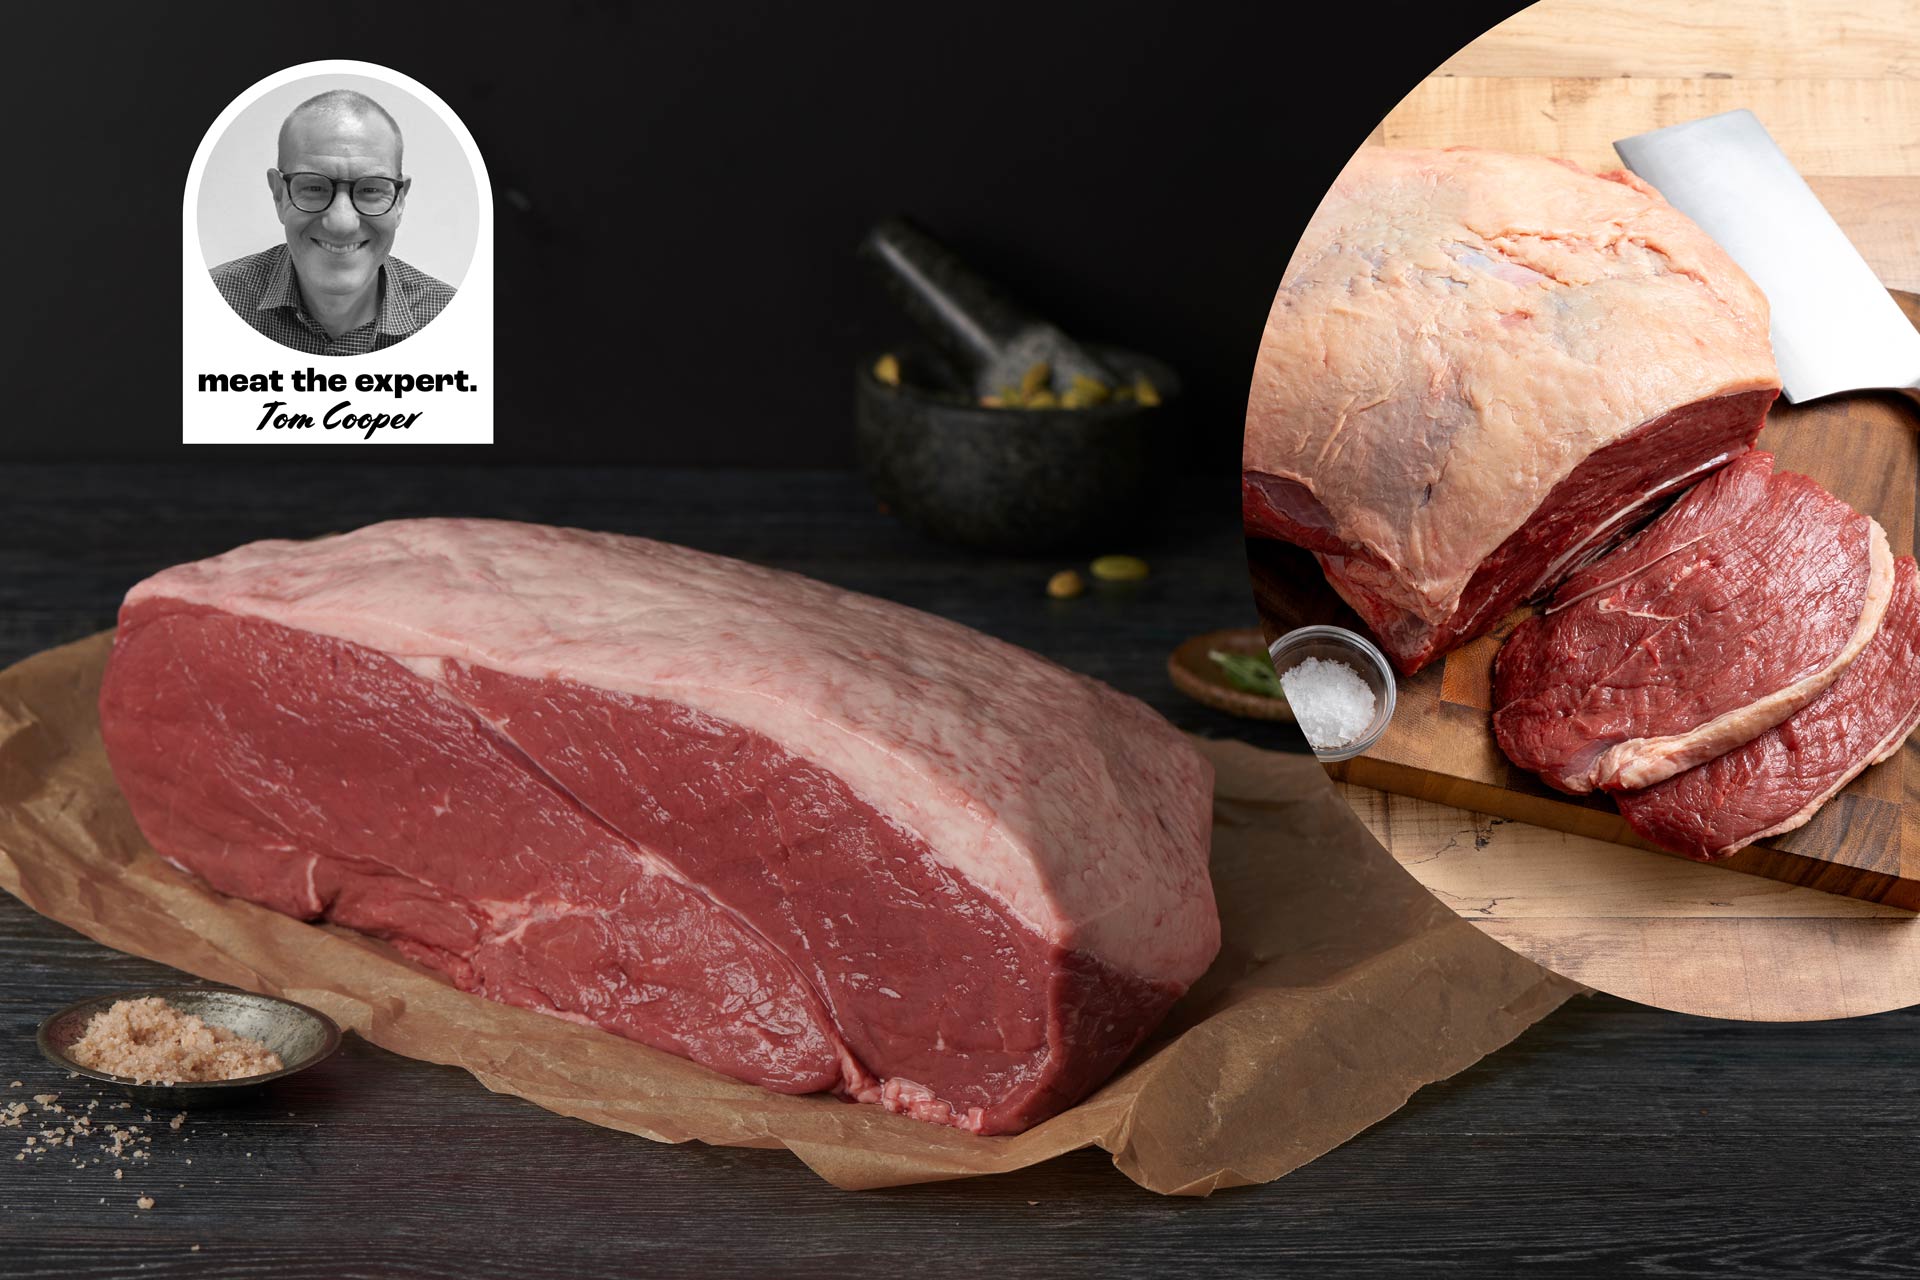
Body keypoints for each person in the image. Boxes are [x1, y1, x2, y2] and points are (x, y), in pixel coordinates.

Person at [210, 89, 455, 355]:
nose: (341, 223)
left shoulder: (459, 324)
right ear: (280, 196)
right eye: (314, 188)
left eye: (371, 190)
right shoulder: (202, 305)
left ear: (399, 201)